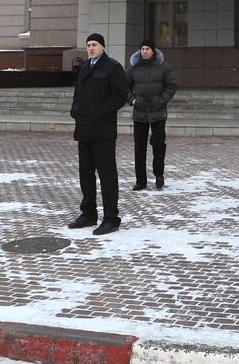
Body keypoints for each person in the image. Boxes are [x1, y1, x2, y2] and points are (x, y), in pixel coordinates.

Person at [69, 33, 129, 235]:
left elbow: (120, 96)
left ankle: (111, 218)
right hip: (84, 129)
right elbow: (77, 94)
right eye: (88, 45)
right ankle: (89, 213)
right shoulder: (85, 68)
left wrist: (101, 112)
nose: (91, 48)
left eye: (94, 44)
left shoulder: (113, 67)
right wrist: (74, 110)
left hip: (103, 131)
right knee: (85, 174)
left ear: (103, 47)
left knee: (107, 175)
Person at [127, 39, 178, 191]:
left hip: (158, 112)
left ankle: (159, 175)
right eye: (142, 48)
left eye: (147, 48)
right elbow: (124, 87)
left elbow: (172, 85)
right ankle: (140, 180)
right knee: (139, 148)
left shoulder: (163, 67)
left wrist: (162, 100)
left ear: (153, 51)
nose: (144, 51)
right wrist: (133, 101)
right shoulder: (133, 68)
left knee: (158, 145)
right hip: (140, 112)